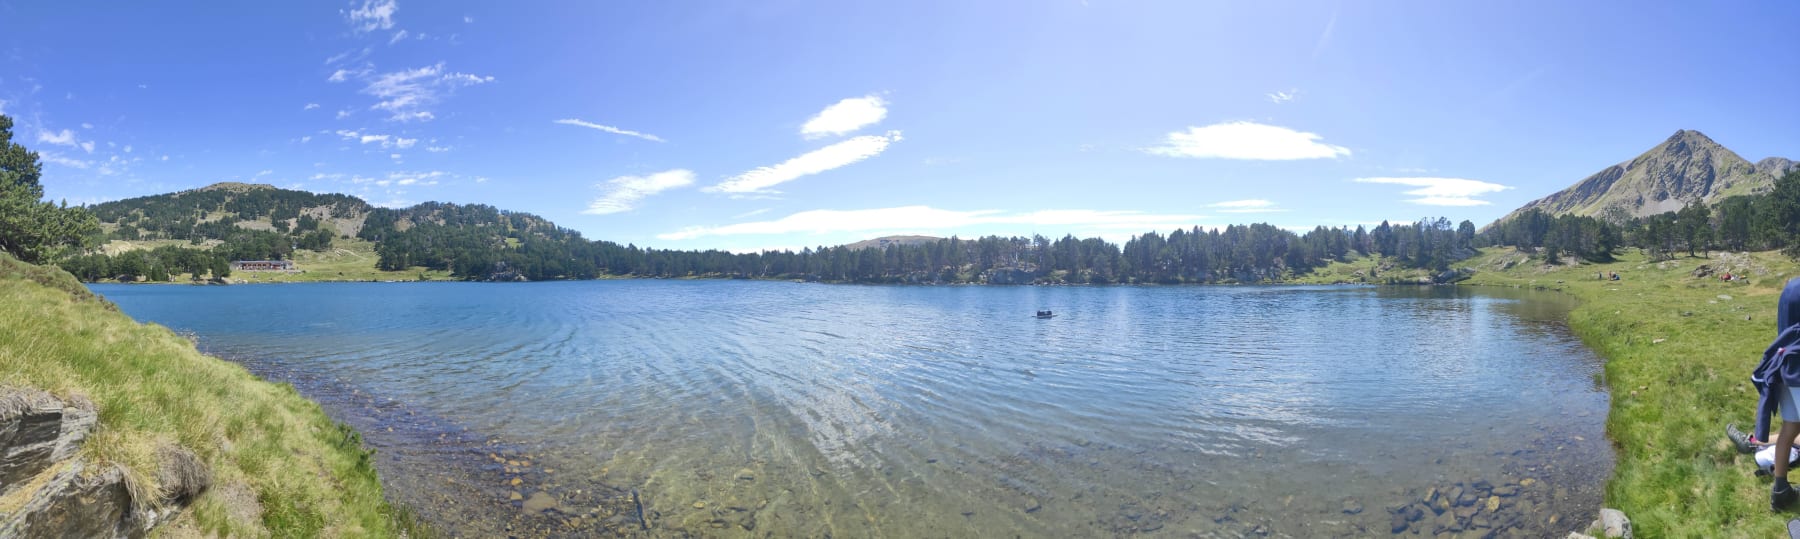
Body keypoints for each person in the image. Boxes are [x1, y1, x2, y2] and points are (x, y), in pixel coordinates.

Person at [1753, 278, 1800, 510]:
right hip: (1799, 370)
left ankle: (1780, 489)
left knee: (1789, 429)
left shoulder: (1791, 286)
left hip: (1784, 367)